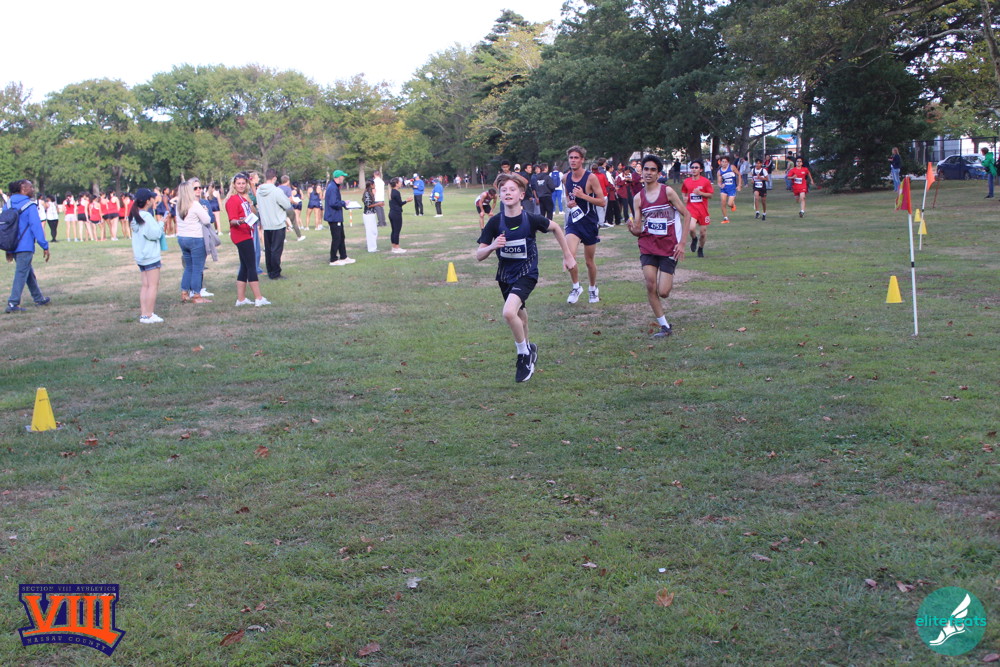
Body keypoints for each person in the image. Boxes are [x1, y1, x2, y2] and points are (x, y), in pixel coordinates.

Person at [476, 173, 576, 383]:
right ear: (500, 195)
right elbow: (479, 255)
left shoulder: (530, 219)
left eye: (512, 189)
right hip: (505, 276)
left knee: (508, 312)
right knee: (519, 316)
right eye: (503, 190)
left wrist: (567, 255)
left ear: (521, 195)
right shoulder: (495, 222)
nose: (507, 193)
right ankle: (530, 346)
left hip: (527, 273)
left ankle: (523, 354)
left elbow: (556, 227)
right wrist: (492, 246)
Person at [627, 155, 691, 338]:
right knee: (650, 284)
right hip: (648, 245)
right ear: (642, 172)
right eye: (646, 169)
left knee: (663, 292)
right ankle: (664, 326)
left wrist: (682, 243)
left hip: (669, 246)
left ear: (658, 173)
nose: (648, 172)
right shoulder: (638, 198)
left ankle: (665, 317)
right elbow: (638, 229)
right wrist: (632, 229)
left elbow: (687, 215)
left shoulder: (667, 192)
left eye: (653, 170)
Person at [562, 145, 606, 304]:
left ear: (582, 160)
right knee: (570, 256)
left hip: (589, 223)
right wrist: (570, 203)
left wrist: (583, 196)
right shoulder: (565, 177)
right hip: (574, 223)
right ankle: (576, 287)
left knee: (589, 261)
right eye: (571, 158)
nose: (573, 160)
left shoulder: (591, 178)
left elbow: (602, 202)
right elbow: (568, 196)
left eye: (576, 158)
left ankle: (593, 289)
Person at [4, 179, 51, 313]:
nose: (33, 190)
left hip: (12, 245)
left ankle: (38, 298)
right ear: (23, 189)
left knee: (27, 271)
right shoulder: (29, 205)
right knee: (21, 273)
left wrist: (8, 249)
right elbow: (36, 227)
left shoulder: (8, 204)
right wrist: (44, 245)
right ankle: (13, 303)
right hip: (25, 245)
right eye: (31, 187)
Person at [225, 172, 270, 307]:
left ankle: (241, 299)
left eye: (243, 183)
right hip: (241, 235)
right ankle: (258, 298)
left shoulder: (244, 198)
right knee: (251, 266)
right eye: (238, 183)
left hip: (248, 233)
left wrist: (250, 203)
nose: (241, 186)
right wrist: (242, 221)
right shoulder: (232, 200)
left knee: (244, 266)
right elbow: (232, 220)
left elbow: (254, 213)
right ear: (234, 185)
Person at [129, 188, 165, 323]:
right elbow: (154, 234)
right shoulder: (147, 217)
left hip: (141, 256)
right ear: (148, 201)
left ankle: (144, 314)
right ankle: (149, 314)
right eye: (152, 198)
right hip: (150, 256)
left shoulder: (135, 216)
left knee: (145, 285)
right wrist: (161, 224)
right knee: (153, 286)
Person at [176, 178, 213, 303]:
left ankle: (184, 292)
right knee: (198, 268)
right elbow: (207, 220)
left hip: (182, 237)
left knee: (189, 267)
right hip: (195, 238)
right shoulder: (195, 204)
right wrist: (205, 212)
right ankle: (197, 295)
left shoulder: (178, 205)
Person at [257, 169, 293, 279]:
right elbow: (287, 204)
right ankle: (276, 273)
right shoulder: (276, 191)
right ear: (274, 178)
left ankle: (270, 271)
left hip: (266, 224)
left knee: (268, 250)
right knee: (276, 250)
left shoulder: (259, 191)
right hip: (277, 224)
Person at [681, 159, 714, 258]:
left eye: (696, 167)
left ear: (701, 170)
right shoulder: (686, 181)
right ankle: (694, 239)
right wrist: (684, 197)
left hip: (703, 210)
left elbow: (710, 195)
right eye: (692, 167)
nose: (694, 169)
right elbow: (684, 191)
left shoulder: (705, 181)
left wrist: (701, 193)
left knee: (703, 233)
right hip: (691, 209)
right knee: (691, 228)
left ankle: (700, 248)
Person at [325, 169, 355, 266]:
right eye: (343, 176)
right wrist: (344, 203)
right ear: (339, 177)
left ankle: (343, 256)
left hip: (336, 216)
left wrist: (343, 203)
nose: (344, 178)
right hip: (333, 217)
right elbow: (333, 203)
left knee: (341, 237)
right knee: (336, 238)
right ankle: (333, 259)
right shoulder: (332, 187)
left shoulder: (334, 186)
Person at [387, 177, 411, 253]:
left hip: (391, 213)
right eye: (400, 182)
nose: (401, 183)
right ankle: (397, 247)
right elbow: (400, 203)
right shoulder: (396, 192)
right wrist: (407, 201)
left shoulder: (391, 192)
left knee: (394, 230)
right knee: (397, 231)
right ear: (396, 184)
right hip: (396, 214)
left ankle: (393, 247)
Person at [278, 176, 305, 241]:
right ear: (288, 181)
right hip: (288, 207)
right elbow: (290, 199)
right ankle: (299, 236)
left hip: (280, 208)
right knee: (294, 222)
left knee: (282, 223)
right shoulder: (288, 188)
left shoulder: (278, 188)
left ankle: (283, 238)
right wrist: (295, 202)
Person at [716, 155, 741, 223]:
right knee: (723, 202)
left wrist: (739, 185)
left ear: (728, 162)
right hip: (724, 189)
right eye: (723, 162)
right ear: (720, 162)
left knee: (729, 204)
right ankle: (725, 218)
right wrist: (721, 185)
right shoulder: (719, 172)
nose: (724, 163)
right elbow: (719, 182)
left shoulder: (732, 167)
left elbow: (739, 174)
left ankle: (732, 204)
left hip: (732, 188)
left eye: (725, 162)